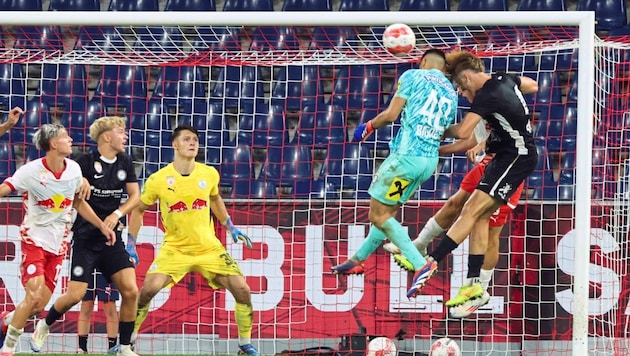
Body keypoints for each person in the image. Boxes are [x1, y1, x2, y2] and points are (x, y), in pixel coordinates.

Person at [411, 50, 539, 307]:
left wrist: (429, 130)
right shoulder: (504, 79)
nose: (463, 94)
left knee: (471, 211)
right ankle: (474, 286)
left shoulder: (486, 96)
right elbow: (532, 85)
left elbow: (462, 131)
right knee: (479, 216)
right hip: (502, 155)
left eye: (461, 88)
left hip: (516, 157)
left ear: (467, 79)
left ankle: (432, 260)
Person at [329, 48, 459, 299]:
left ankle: (420, 263)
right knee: (386, 215)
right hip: (427, 163)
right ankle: (357, 259)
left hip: (405, 160)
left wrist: (368, 126)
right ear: (444, 69)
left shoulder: (413, 76)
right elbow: (446, 129)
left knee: (377, 215)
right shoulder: (450, 92)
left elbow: (391, 115)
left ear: (422, 62)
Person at [127, 125, 259, 355]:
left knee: (243, 290)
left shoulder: (209, 174)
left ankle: (244, 344)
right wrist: (131, 242)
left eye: (195, 140)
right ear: (175, 145)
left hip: (208, 248)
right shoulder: (158, 179)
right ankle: (128, 343)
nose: (193, 143)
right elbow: (138, 210)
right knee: (148, 290)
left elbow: (215, 199)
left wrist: (230, 226)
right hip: (175, 250)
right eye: (187, 139)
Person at [27, 116, 140, 356]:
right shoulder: (82, 163)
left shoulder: (125, 162)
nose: (125, 136)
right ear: (107, 136)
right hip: (86, 241)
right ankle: (45, 324)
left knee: (131, 291)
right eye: (121, 131)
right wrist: (81, 180)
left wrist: (118, 213)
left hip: (112, 241)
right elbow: (72, 187)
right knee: (76, 296)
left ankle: (126, 347)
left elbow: (135, 196)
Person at [0, 122, 115, 356]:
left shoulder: (73, 169)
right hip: (33, 241)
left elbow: (78, 202)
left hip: (59, 244)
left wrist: (102, 225)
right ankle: (8, 348)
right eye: (65, 136)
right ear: (53, 144)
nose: (70, 139)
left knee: (38, 306)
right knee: (32, 296)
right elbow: (6, 187)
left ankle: (6, 320)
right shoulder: (30, 172)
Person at [77, 270, 121, 354]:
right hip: (88, 266)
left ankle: (112, 348)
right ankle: (82, 348)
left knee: (110, 306)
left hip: (106, 267)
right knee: (86, 305)